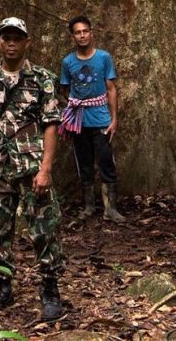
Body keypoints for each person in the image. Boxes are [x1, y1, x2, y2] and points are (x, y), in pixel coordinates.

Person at [0, 17, 66, 321]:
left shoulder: (42, 78)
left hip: (32, 164)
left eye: (17, 38)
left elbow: (52, 124)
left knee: (44, 226)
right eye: (6, 38)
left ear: (27, 42)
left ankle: (50, 288)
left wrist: (46, 168)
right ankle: (2, 287)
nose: (11, 43)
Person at [58, 16, 125, 223]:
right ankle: (88, 206)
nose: (82, 35)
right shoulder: (68, 62)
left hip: (101, 118)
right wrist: (75, 107)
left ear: (91, 33)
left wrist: (114, 119)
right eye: (78, 32)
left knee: (105, 160)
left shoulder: (104, 58)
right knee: (84, 161)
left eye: (85, 31)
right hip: (79, 121)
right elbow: (65, 89)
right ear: (73, 36)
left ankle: (110, 208)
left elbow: (111, 89)